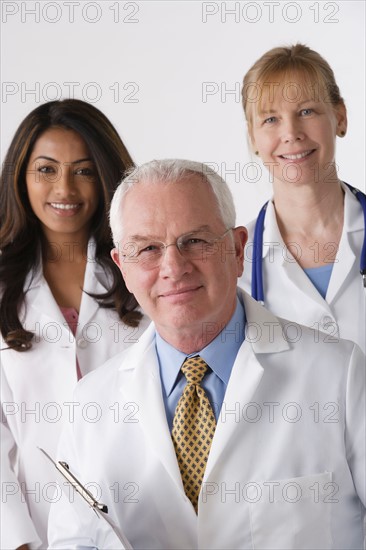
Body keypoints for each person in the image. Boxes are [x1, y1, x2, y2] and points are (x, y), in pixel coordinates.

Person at [47, 159, 365, 549]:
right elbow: (72, 541)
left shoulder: (340, 374)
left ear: (236, 249)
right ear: (123, 268)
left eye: (194, 241)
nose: (173, 267)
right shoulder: (90, 402)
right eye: (147, 248)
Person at [0, 99, 150, 550]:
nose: (64, 188)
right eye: (46, 169)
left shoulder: (143, 270)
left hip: (144, 513)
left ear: (106, 178)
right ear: (20, 177)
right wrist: (19, 540)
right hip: (38, 524)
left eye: (84, 170)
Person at [239, 43, 366, 353]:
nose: (291, 132)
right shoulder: (235, 263)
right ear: (254, 137)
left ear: (340, 117)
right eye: (270, 119)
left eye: (306, 111)